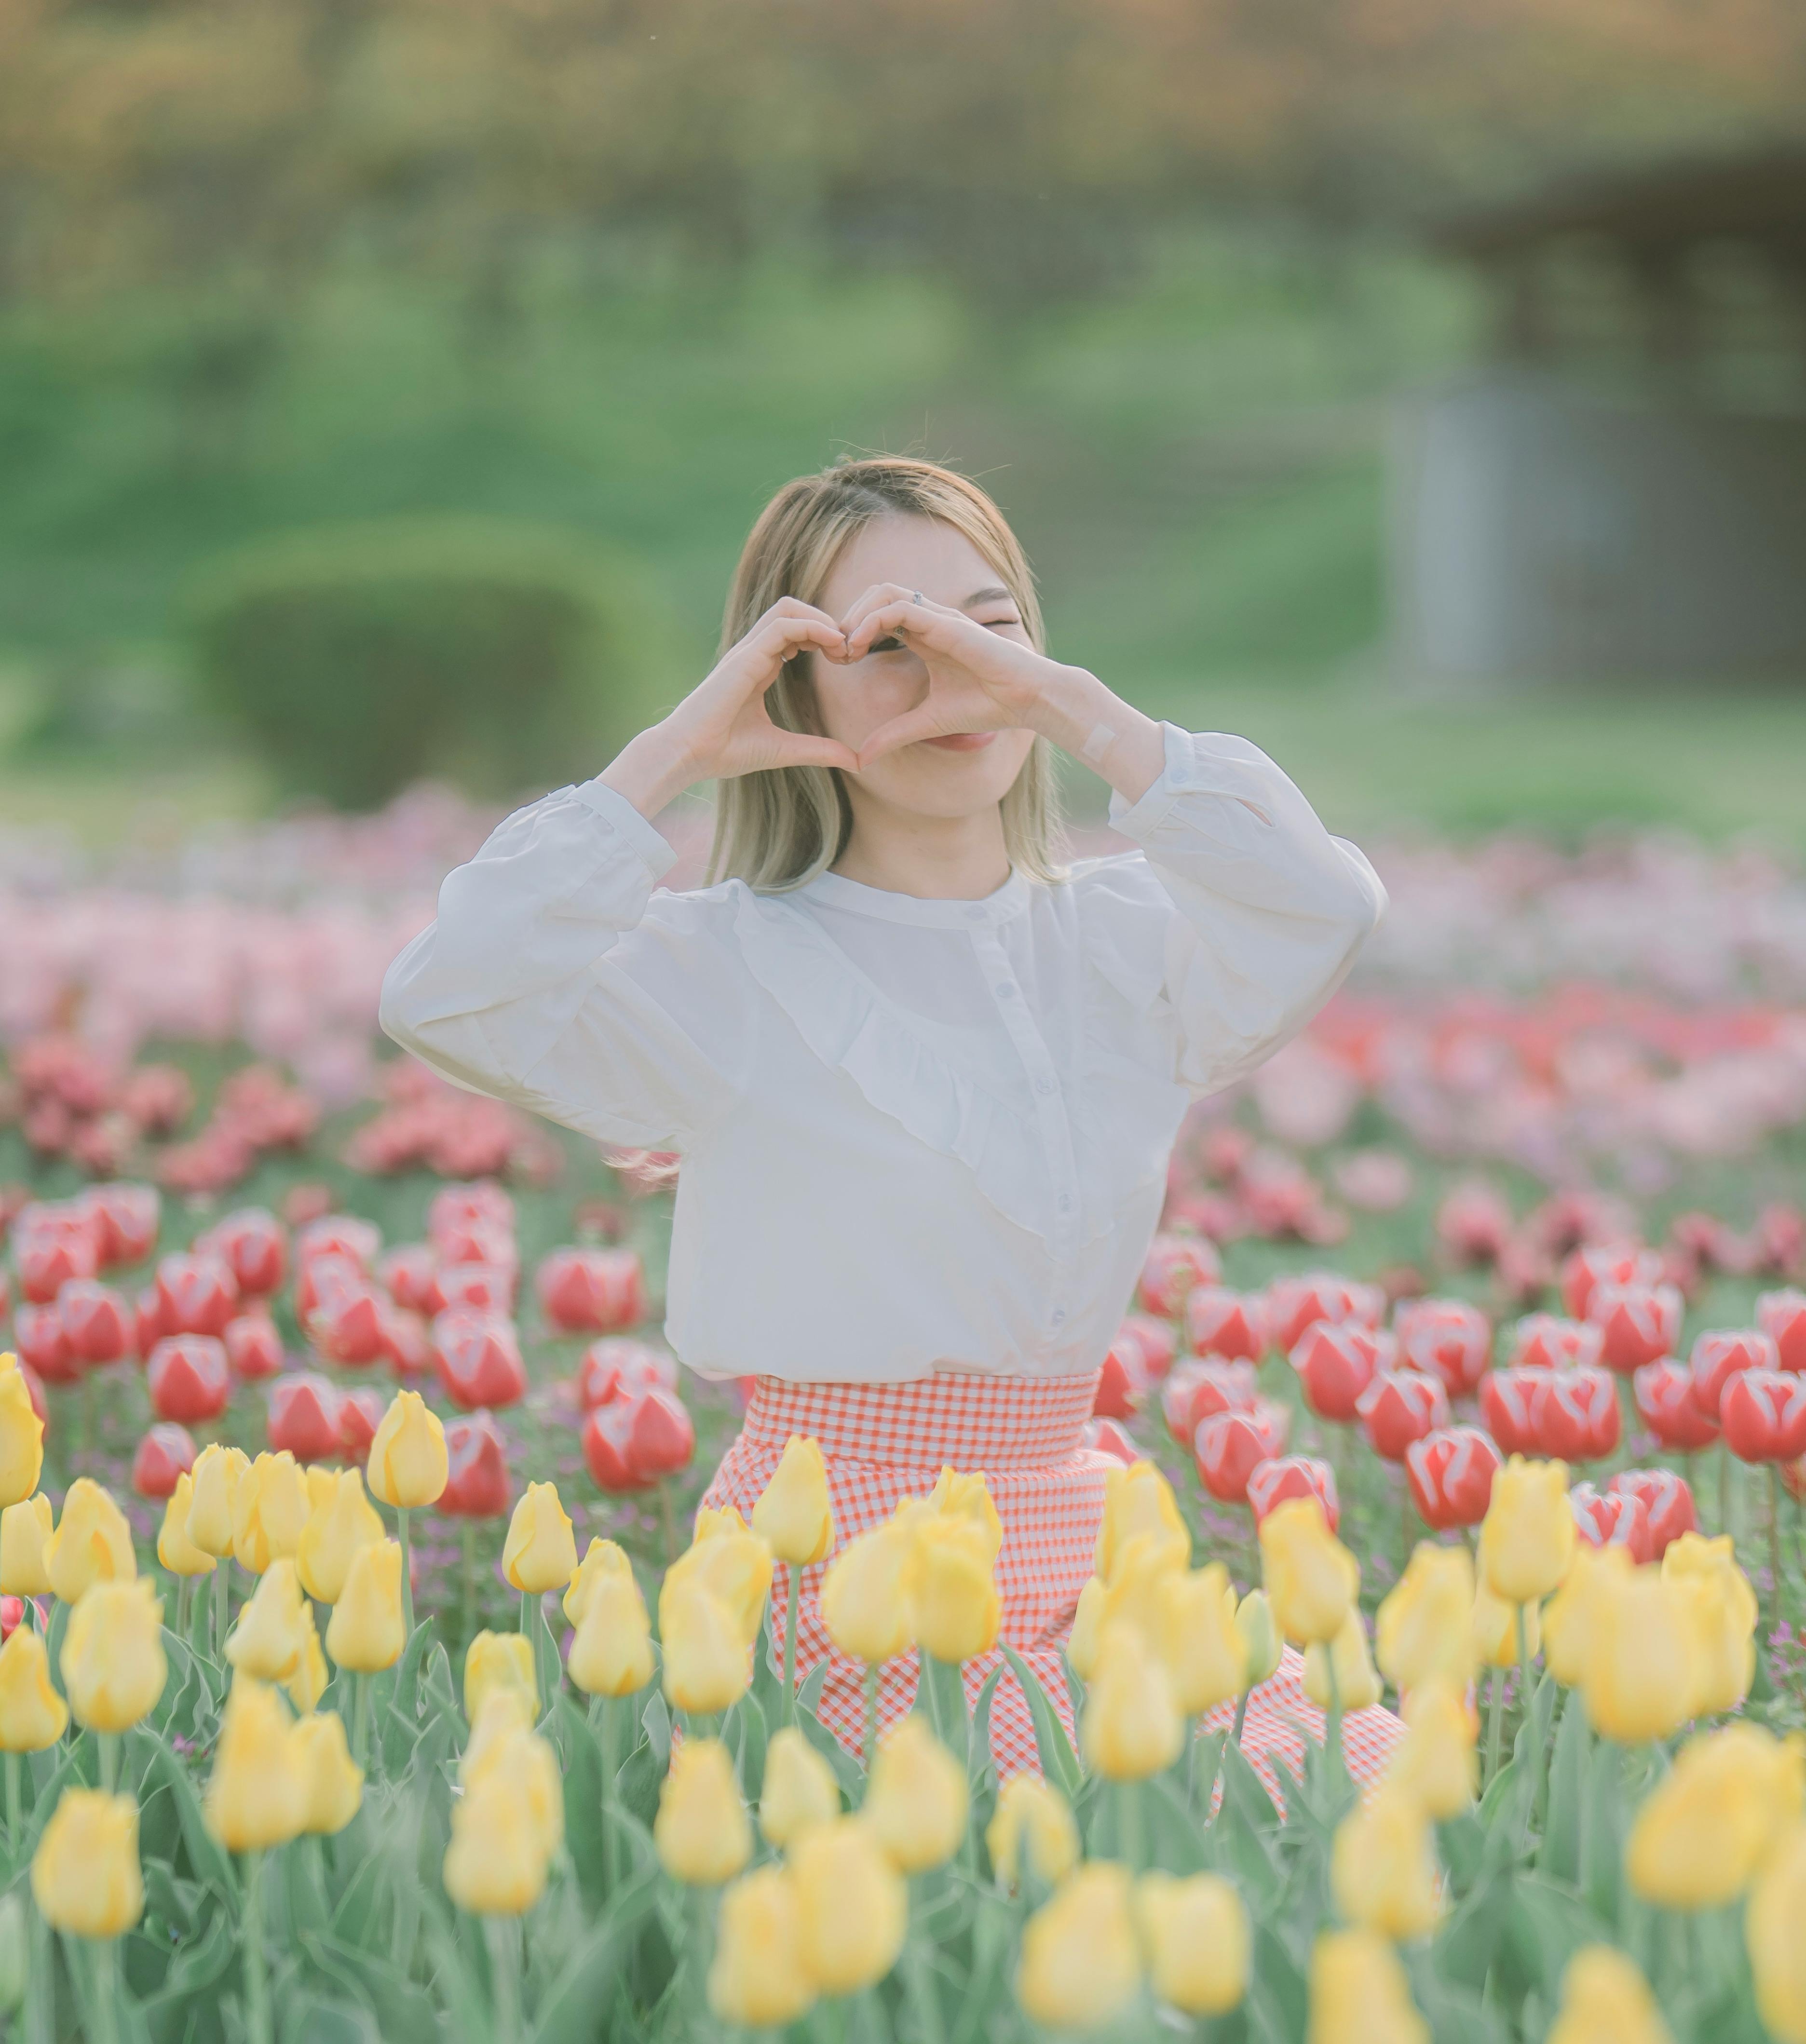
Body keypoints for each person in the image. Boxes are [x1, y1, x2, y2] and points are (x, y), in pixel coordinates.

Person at [381, 455, 1401, 1790]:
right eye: (886, 645)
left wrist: (1079, 713)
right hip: (839, 1568)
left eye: (988, 626)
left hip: (1078, 1534)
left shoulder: (1123, 941)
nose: (952, 677)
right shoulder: (724, 970)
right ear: (785, 686)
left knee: (1356, 1791)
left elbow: (1323, 905)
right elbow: (447, 993)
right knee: (1082, 1846)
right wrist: (674, 753)